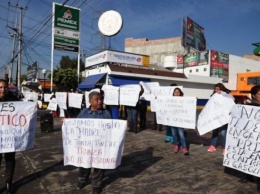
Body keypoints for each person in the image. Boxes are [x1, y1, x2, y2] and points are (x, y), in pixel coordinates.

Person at [76, 91, 111, 194]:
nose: (100, 101)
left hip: (100, 146)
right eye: (97, 100)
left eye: (101, 99)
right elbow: (75, 125)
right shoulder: (84, 113)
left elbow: (112, 128)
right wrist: (67, 123)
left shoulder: (106, 113)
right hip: (86, 145)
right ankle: (82, 180)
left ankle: (97, 184)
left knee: (99, 166)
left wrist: (122, 125)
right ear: (90, 101)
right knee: (84, 164)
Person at [238, 85, 260, 191]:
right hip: (250, 138)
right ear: (254, 96)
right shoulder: (248, 106)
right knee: (248, 157)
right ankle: (245, 175)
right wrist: (234, 114)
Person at [0, 79, 20, 194]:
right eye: (0, 87)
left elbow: (23, 111)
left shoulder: (14, 99)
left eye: (5, 87)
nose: (3, 90)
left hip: (9, 137)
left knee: (10, 161)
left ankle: (9, 183)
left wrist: (33, 107)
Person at [207, 83, 232, 155]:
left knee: (223, 133)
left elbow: (231, 102)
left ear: (222, 89)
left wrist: (223, 94)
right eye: (215, 89)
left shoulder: (227, 95)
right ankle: (213, 145)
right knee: (215, 132)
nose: (216, 91)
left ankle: (224, 147)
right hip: (215, 118)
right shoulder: (212, 96)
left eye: (218, 89)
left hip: (223, 118)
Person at [171, 87, 189, 155]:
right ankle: (175, 145)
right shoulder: (170, 100)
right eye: (175, 92)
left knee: (181, 134)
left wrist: (193, 100)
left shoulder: (183, 100)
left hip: (180, 121)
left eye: (178, 92)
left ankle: (184, 148)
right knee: (174, 134)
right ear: (173, 93)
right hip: (172, 121)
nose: (177, 93)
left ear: (180, 93)